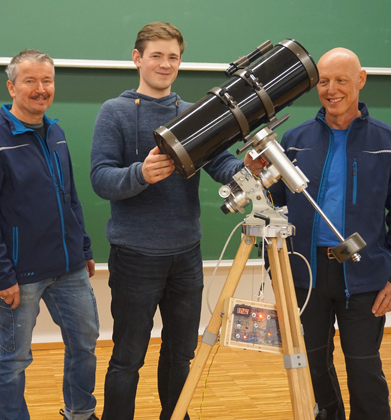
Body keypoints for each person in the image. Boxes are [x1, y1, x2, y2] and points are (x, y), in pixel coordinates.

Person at [90, 22, 263, 420]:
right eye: (156, 55)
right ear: (137, 59)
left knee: (181, 354)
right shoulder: (114, 112)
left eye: (173, 57)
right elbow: (101, 178)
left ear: (180, 62)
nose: (165, 64)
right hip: (135, 256)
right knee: (128, 357)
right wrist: (140, 174)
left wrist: (247, 169)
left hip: (186, 255)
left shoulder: (192, 115)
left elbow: (220, 163)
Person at [269, 48, 391, 419]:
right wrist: (279, 273)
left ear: (361, 80)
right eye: (323, 81)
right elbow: (273, 210)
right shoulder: (293, 140)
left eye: (341, 80)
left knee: (364, 370)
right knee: (314, 369)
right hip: (307, 277)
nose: (331, 89)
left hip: (365, 279)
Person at [0, 49, 99, 420]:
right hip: (19, 276)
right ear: (12, 86)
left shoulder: (56, 132)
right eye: (30, 81)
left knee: (85, 344)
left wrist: (83, 248)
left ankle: (80, 413)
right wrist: (1, 274)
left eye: (47, 80)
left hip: (70, 267)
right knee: (14, 359)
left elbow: (69, 196)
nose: (41, 89)